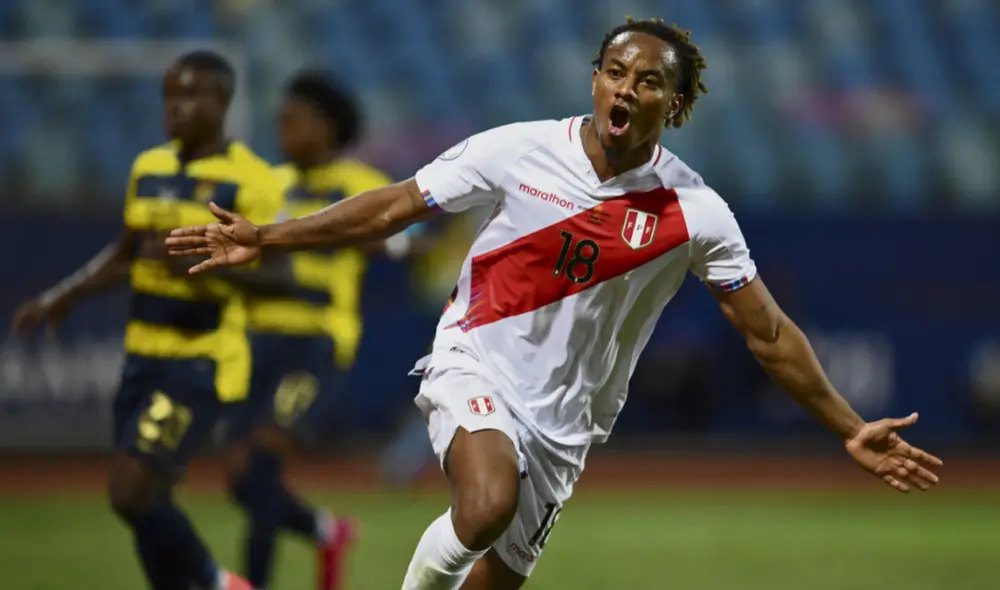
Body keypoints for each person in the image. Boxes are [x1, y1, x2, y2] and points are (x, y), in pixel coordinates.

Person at [164, 19, 944, 590]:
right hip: (475, 360)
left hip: (568, 425)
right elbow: (396, 206)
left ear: (673, 106)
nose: (625, 88)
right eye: (614, 70)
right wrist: (268, 236)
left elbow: (768, 334)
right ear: (595, 79)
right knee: (487, 501)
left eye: (647, 81)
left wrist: (849, 425)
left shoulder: (694, 213)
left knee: (494, 563)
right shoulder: (517, 149)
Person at [11, 51, 281, 590]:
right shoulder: (148, 167)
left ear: (223, 102)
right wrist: (64, 295)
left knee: (128, 491)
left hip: (201, 360)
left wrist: (201, 271)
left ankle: (219, 582)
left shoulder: (251, 180)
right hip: (141, 357)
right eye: (169, 96)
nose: (176, 107)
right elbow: (126, 253)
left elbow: (281, 277)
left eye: (191, 95)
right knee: (145, 503)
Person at [223, 69, 408, 590]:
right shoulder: (268, 185)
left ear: (328, 129)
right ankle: (325, 531)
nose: (282, 128)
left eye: (294, 120)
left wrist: (386, 241)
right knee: (239, 480)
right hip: (255, 340)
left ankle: (251, 583)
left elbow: (397, 234)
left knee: (262, 462)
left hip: (316, 342)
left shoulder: (361, 186)